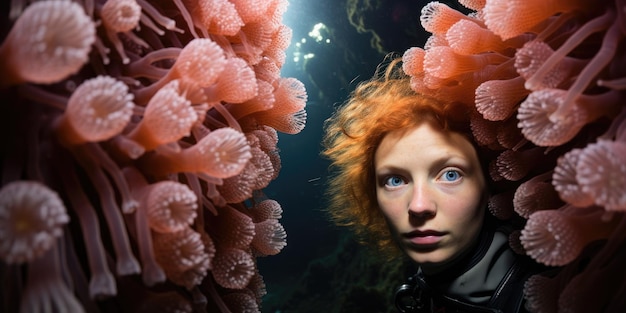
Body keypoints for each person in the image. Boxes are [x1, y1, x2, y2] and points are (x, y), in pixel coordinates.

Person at [322, 58, 540, 313]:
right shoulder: (426, 283)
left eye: (450, 175)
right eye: (395, 181)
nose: (419, 206)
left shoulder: (543, 293)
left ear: (489, 182)